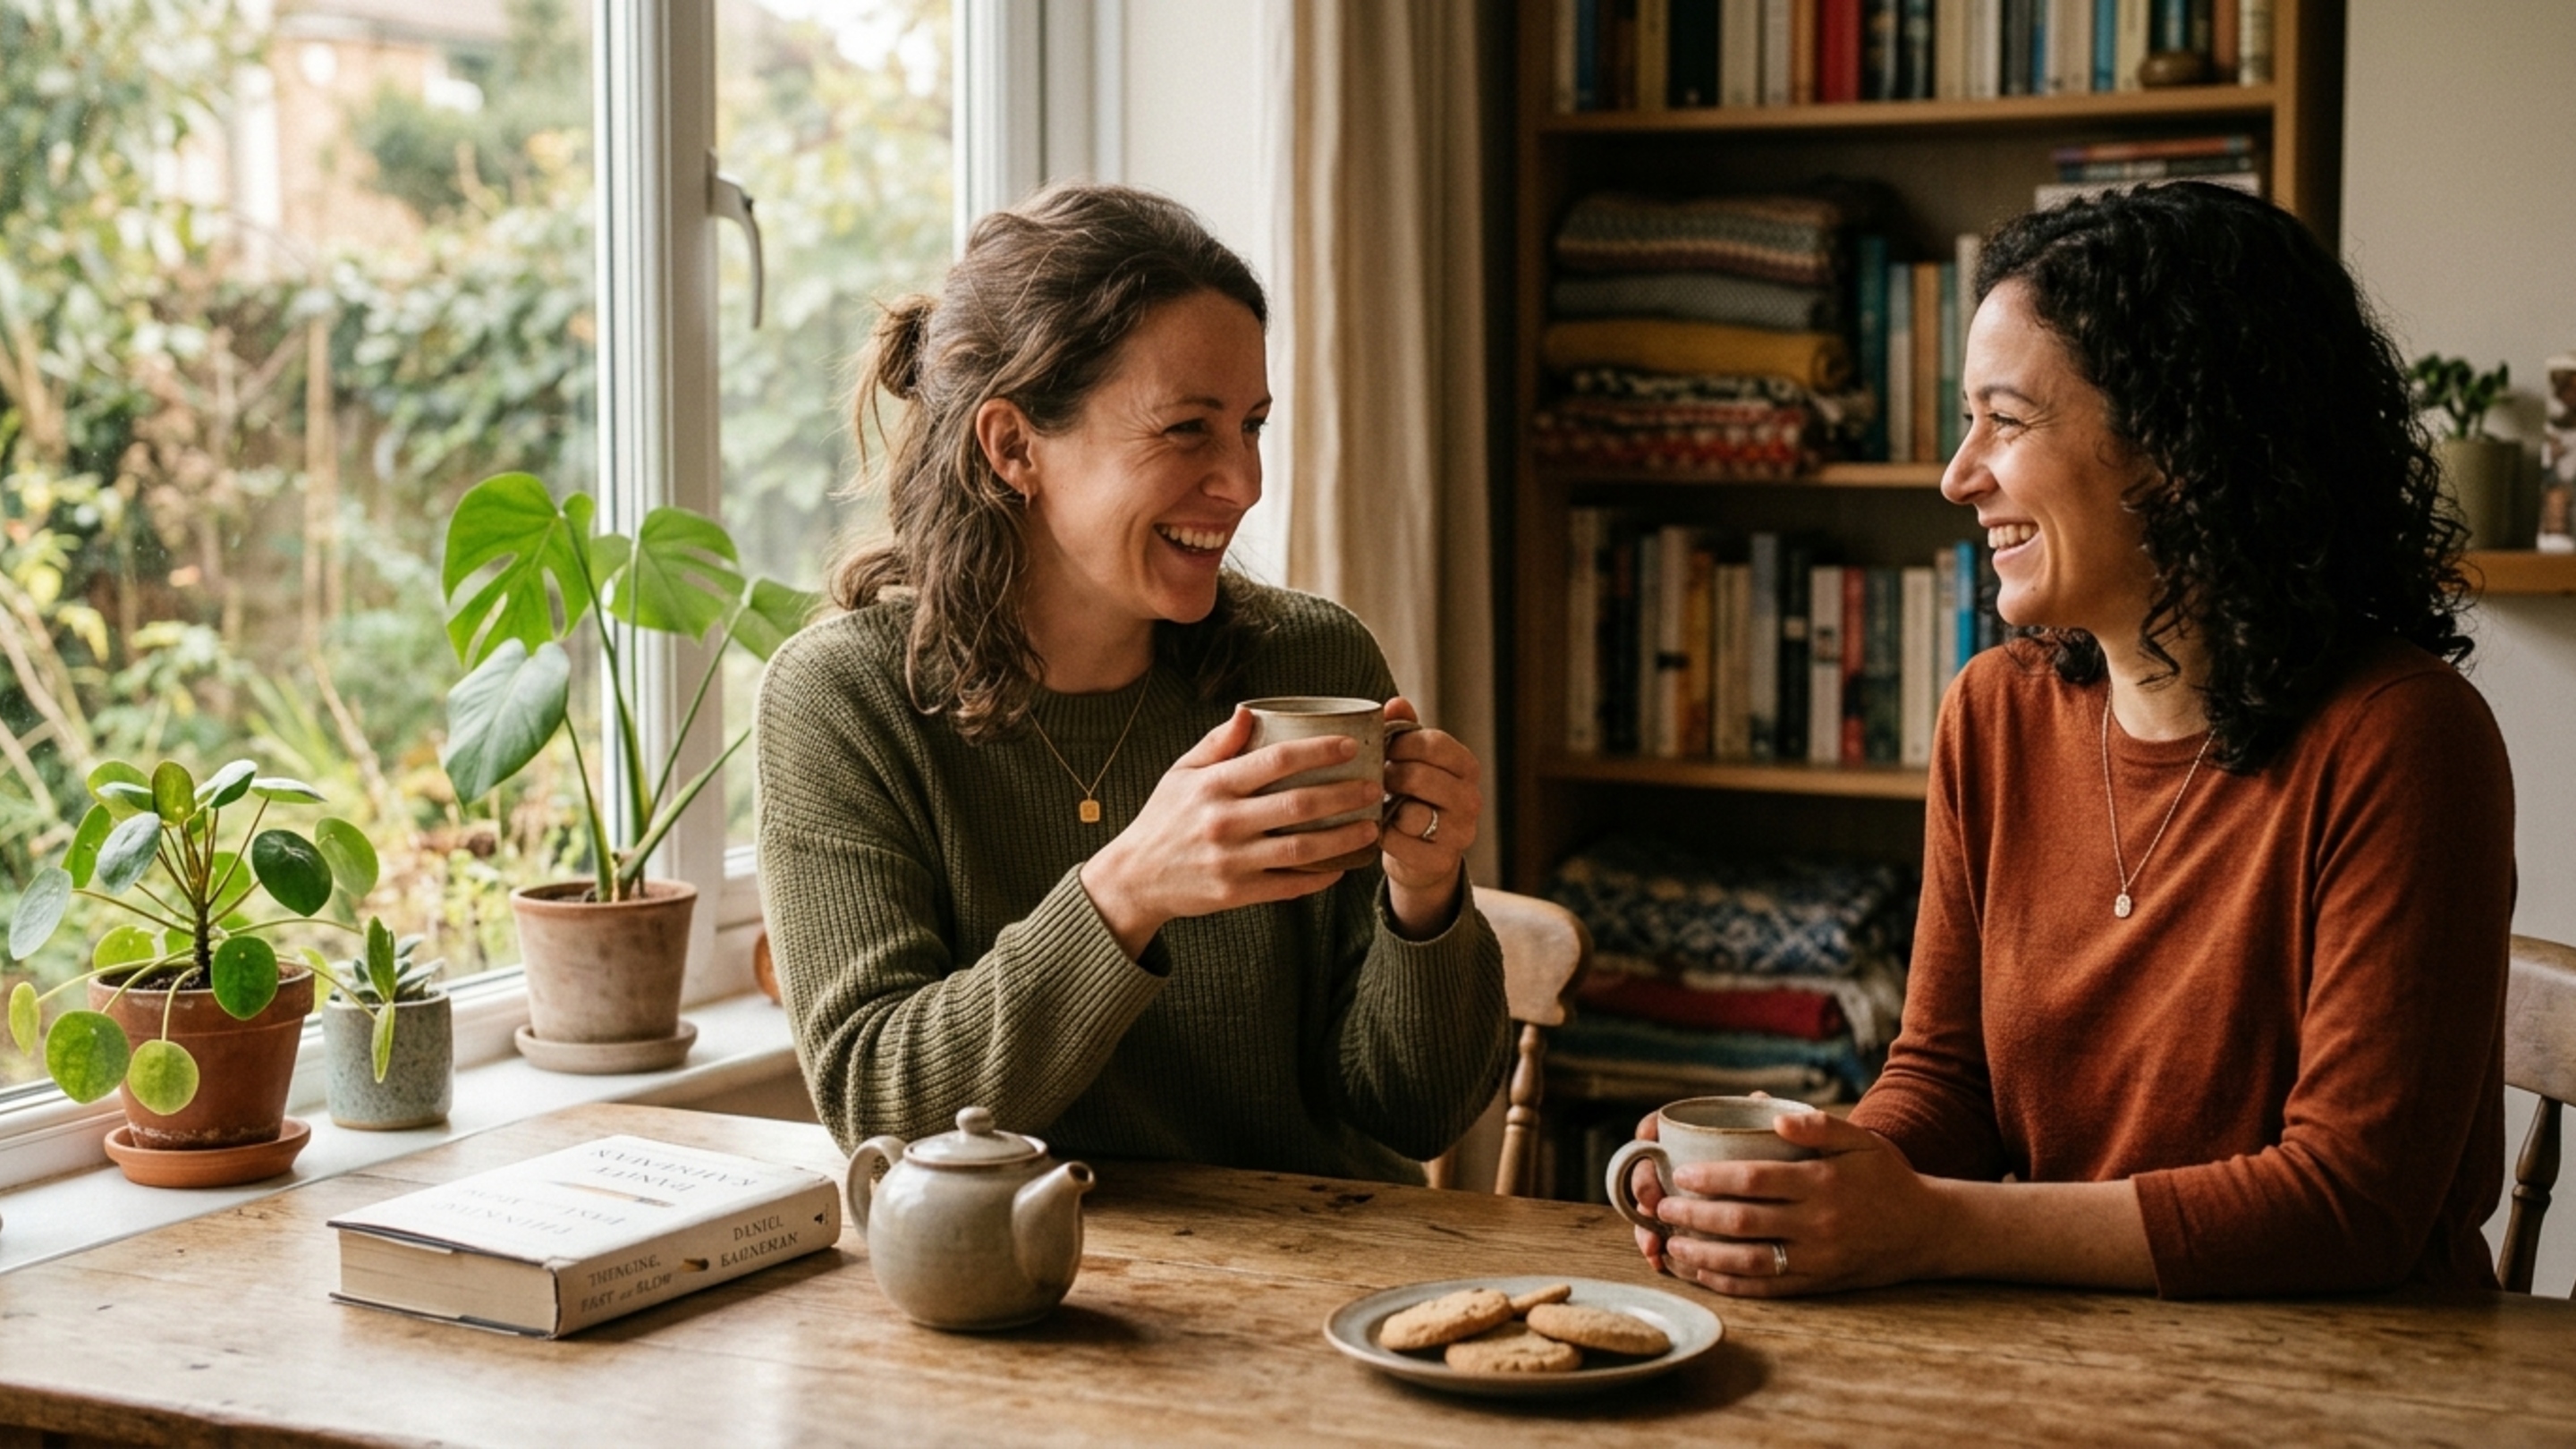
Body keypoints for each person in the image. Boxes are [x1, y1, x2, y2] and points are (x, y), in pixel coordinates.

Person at [1631, 182, 2515, 1298]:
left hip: (2362, 1381)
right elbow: (1948, 1083)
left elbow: (2349, 1204)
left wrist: (1933, 1228)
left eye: (2004, 420)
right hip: (2077, 1353)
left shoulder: (2403, 737)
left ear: (2178, 446)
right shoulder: (1994, 712)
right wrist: (1812, 1173)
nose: (1959, 474)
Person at [756, 182, 1509, 1183]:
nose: (1242, 483)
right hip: (1010, 1297)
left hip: (1316, 1285)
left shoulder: (1313, 666)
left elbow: (1416, 1113)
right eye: (1188, 430)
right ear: (1014, 445)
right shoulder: (845, 703)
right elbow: (884, 1117)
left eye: (1251, 426)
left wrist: (1426, 898)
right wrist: (1130, 888)